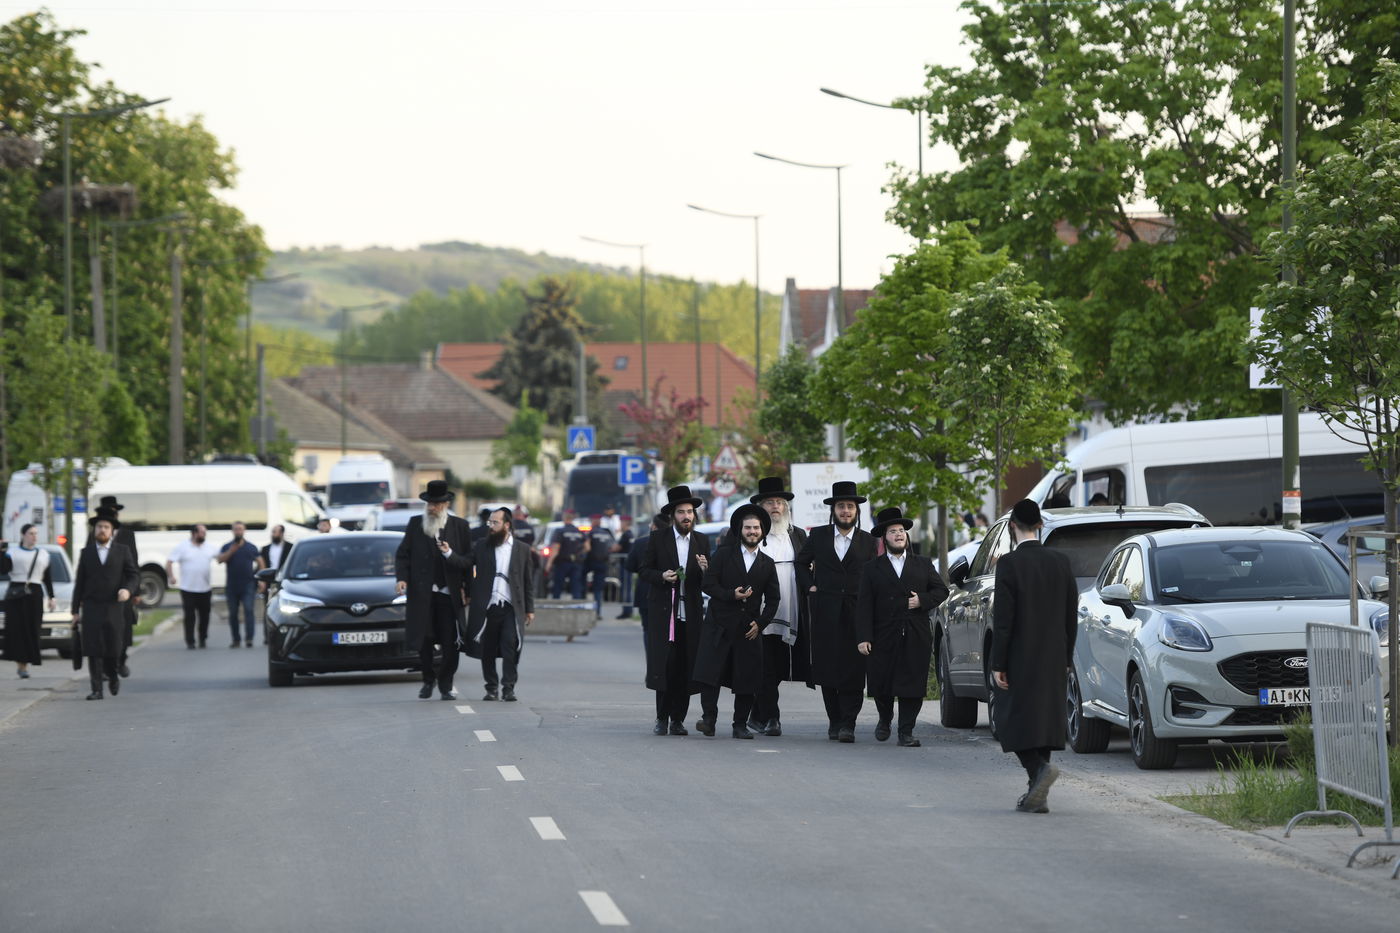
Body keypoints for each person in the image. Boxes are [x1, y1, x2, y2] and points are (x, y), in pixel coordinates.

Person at [990, 498, 1078, 814]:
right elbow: (1071, 615)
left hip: (1019, 654)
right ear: (1040, 525)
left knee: (1011, 719)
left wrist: (998, 663)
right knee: (1044, 719)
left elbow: (1004, 619)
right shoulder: (1061, 562)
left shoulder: (1010, 565)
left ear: (1013, 526)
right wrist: (1068, 655)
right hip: (1054, 654)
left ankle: (1038, 771)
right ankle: (1035, 794)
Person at [856, 506, 949, 747]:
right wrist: (864, 637)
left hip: (915, 633)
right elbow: (864, 605)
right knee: (883, 683)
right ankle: (884, 719)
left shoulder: (923, 563)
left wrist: (922, 600)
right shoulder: (872, 568)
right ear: (884, 537)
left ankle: (906, 730)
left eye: (901, 531)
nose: (899, 534)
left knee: (912, 684)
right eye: (893, 531)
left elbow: (941, 590)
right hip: (883, 633)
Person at [796, 481, 878, 742]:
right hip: (825, 609)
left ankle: (848, 723)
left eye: (850, 507)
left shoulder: (869, 541)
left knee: (854, 667)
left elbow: (876, 575)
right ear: (833, 510)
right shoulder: (818, 535)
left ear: (857, 511)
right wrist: (810, 587)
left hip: (857, 610)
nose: (845, 511)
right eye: (841, 506)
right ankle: (834, 719)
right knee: (828, 667)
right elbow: (801, 563)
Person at [693, 504, 780, 739]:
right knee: (710, 675)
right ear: (740, 530)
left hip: (748, 629)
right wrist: (732, 594)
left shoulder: (767, 563)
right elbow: (708, 585)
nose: (752, 531)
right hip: (719, 625)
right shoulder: (723, 554)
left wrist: (760, 623)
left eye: (756, 528)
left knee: (747, 678)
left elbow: (774, 599)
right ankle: (708, 719)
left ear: (762, 531)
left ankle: (739, 724)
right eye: (748, 528)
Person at [639, 485, 710, 735]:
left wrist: (705, 571)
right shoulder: (659, 539)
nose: (686, 516)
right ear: (673, 515)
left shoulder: (702, 540)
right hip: (663, 614)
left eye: (689, 511)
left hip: (690, 614)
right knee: (665, 666)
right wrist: (662, 576)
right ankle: (661, 717)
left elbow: (708, 583)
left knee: (686, 667)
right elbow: (644, 571)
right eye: (681, 512)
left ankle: (678, 719)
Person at [394, 480, 474, 700]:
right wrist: (402, 578)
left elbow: (468, 560)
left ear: (445, 504)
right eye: (429, 503)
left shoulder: (460, 526)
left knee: (451, 643)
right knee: (425, 640)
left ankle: (446, 684)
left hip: (450, 596)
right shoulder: (415, 524)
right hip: (423, 594)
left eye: (437, 504)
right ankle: (428, 680)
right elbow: (403, 555)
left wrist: (468, 590)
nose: (432, 508)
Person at [746, 476, 809, 737]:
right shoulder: (752, 535)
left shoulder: (799, 535)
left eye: (780, 502)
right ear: (761, 507)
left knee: (780, 665)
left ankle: (756, 714)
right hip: (760, 610)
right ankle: (772, 717)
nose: (775, 507)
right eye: (770, 502)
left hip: (791, 609)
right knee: (765, 664)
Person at [464, 507, 535, 701]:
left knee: (510, 646)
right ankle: (491, 687)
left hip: (512, 607)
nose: (491, 526)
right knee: (487, 648)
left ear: (507, 525)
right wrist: (448, 553)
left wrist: (530, 609)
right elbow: (465, 563)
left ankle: (509, 688)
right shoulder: (482, 545)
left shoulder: (522, 549)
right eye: (489, 522)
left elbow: (527, 581)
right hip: (489, 607)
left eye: (495, 522)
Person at [71, 508, 139, 700]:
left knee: (113, 647)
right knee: (93, 648)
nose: (102, 530)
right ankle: (96, 689)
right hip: (92, 607)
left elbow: (133, 574)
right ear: (94, 530)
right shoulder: (86, 553)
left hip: (114, 606)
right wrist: (75, 610)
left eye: (106, 527)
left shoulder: (122, 551)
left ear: (112, 531)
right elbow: (80, 582)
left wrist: (127, 589)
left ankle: (113, 675)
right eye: (99, 527)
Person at [1, 525, 56, 679]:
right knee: (17, 630)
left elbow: (47, 578)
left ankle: (28, 660)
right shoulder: (13, 552)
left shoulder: (43, 554)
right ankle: (21, 665)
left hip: (35, 593)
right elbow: (4, 570)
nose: (34, 536)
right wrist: (1, 552)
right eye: (31, 533)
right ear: (23, 535)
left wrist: (52, 597)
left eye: (36, 534)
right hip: (16, 594)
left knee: (32, 629)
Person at [97, 496, 140, 679]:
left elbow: (134, 564)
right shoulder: (96, 535)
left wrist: (134, 591)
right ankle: (106, 667)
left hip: (124, 589)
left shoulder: (127, 535)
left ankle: (120, 660)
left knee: (125, 629)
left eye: (114, 511)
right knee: (104, 630)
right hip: (102, 593)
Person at [167, 524, 217, 649]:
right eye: (202, 532)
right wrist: (171, 576)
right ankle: (190, 641)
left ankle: (202, 638)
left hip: (205, 588)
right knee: (190, 616)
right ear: (194, 533)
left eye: (205, 533)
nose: (204, 535)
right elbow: (169, 561)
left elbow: (221, 557)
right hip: (188, 589)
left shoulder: (209, 547)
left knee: (204, 616)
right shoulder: (183, 547)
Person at [217, 521, 260, 648]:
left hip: (248, 584)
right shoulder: (227, 546)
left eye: (240, 529)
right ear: (232, 531)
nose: (238, 532)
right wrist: (231, 551)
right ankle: (236, 640)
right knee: (233, 613)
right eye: (236, 529)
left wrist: (260, 578)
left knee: (248, 610)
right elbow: (220, 560)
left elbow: (260, 562)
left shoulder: (251, 547)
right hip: (232, 585)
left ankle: (249, 638)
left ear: (244, 530)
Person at [626, 513, 665, 634]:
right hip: (666, 592)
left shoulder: (640, 543)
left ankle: (650, 653)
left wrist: (643, 571)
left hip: (645, 590)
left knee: (648, 629)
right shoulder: (674, 543)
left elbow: (629, 565)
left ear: (653, 527)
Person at [548, 510, 587, 599]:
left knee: (558, 586)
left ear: (564, 517)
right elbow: (587, 547)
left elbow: (556, 549)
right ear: (573, 518)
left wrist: (549, 563)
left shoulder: (560, 531)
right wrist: (580, 554)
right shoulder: (579, 531)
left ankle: (556, 606)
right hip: (576, 562)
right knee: (576, 587)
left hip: (562, 562)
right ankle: (577, 608)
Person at [584, 520, 618, 620]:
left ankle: (582, 611)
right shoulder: (606, 533)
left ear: (593, 523)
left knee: (581, 586)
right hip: (603, 563)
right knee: (598, 590)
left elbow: (587, 547)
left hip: (590, 562)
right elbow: (613, 547)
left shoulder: (591, 533)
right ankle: (597, 613)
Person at [615, 516, 635, 617]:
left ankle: (626, 611)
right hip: (629, 564)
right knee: (628, 588)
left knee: (625, 588)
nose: (620, 525)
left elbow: (617, 548)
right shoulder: (631, 534)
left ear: (626, 523)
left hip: (625, 564)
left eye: (621, 522)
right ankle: (628, 610)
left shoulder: (625, 535)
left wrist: (609, 549)